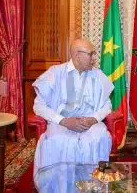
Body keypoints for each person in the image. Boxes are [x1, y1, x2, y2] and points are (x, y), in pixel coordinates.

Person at [32, 39, 113, 182]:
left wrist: (93, 119)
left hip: (90, 123)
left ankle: (94, 186)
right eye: (91, 54)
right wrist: (63, 121)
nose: (95, 58)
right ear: (77, 55)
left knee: (100, 136)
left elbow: (107, 105)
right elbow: (39, 106)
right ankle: (62, 187)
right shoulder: (55, 73)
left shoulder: (97, 75)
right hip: (61, 122)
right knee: (59, 141)